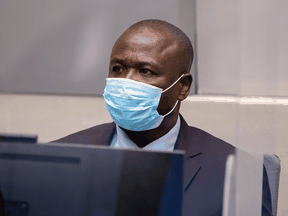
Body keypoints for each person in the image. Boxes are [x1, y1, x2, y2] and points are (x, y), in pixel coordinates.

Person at [54, 19, 272, 216]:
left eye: (145, 71)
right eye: (118, 68)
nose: (127, 82)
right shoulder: (59, 156)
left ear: (182, 87)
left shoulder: (237, 173)